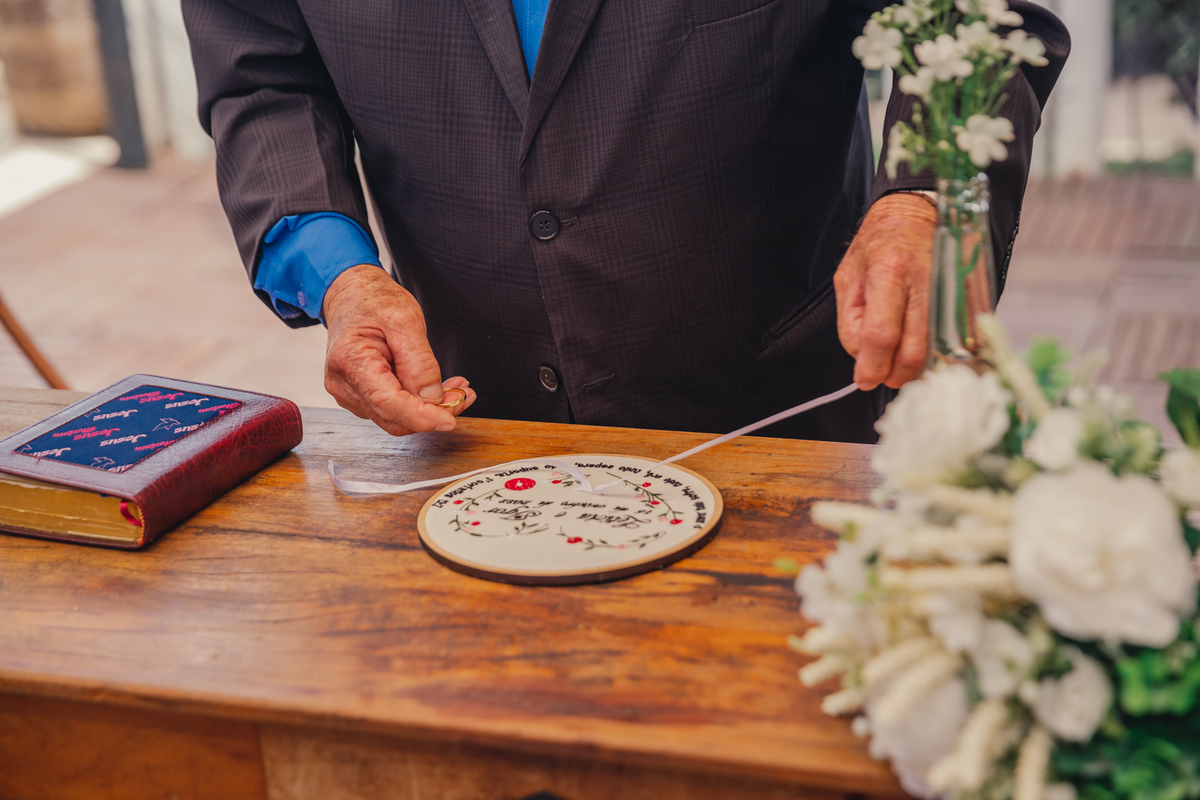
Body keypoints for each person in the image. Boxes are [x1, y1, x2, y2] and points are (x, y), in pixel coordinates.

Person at [182, 0, 1067, 442]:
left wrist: (924, 195)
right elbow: (263, 77)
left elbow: (976, 15)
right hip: (477, 431)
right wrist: (340, 274)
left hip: (791, 416)